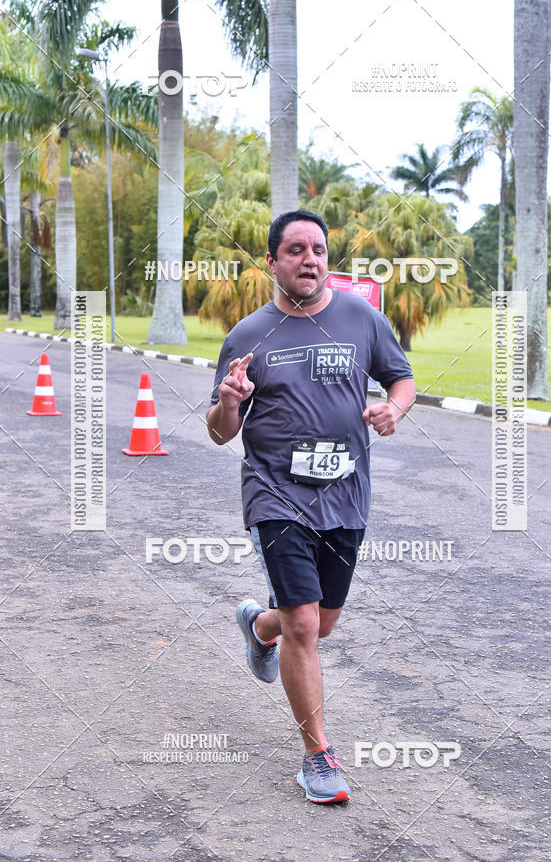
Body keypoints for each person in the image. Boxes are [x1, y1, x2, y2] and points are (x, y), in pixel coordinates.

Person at [206, 209, 416, 803]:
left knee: (319, 622)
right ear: (272, 261)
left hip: (345, 495)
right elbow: (222, 432)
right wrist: (228, 401)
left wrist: (392, 410)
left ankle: (258, 625)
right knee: (305, 623)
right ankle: (318, 756)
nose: (310, 259)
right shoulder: (248, 336)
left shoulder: (361, 319)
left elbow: (402, 380)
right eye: (295, 250)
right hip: (275, 494)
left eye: (318, 249)